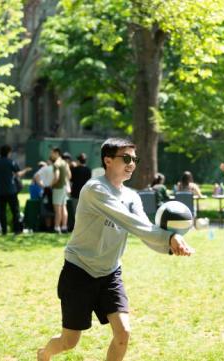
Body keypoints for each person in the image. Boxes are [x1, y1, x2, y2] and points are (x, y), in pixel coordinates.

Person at [37, 138, 194, 361]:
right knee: (69, 341)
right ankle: (43, 354)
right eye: (126, 158)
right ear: (108, 161)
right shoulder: (95, 189)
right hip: (79, 271)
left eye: (134, 159)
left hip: (110, 273)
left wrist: (170, 246)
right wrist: (169, 238)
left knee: (123, 333)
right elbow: (129, 221)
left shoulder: (132, 196)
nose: (132, 164)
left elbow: (144, 229)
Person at [0, 145, 30, 235]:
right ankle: (17, 230)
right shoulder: (11, 162)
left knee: (2, 211)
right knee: (15, 211)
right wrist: (26, 170)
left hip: (0, 190)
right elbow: (18, 174)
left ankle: (4, 231)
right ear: (8, 152)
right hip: (11, 190)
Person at [50, 147, 71, 233]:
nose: (51, 155)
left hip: (58, 188)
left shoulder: (56, 164)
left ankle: (57, 227)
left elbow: (56, 177)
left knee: (57, 209)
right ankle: (64, 227)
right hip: (64, 188)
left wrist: (50, 184)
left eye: (52, 153)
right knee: (63, 207)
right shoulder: (65, 163)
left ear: (56, 153)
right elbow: (69, 175)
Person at [69, 153, 92, 230]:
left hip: (75, 193)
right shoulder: (88, 170)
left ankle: (77, 228)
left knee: (76, 212)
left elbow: (70, 181)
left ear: (78, 160)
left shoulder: (74, 170)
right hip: (85, 194)